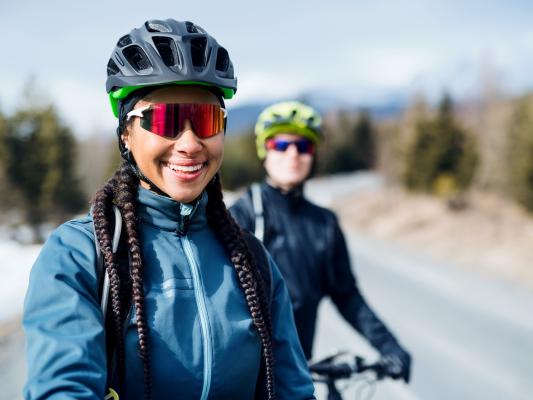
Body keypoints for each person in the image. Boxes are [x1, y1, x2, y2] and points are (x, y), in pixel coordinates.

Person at [22, 20, 315, 400]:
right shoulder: (81, 254)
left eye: (207, 121)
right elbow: (63, 389)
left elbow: (293, 391)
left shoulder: (252, 260)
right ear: (126, 133)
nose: (191, 143)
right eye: (166, 120)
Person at [230, 101, 412, 382]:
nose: (293, 154)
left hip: (298, 377)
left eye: (304, 146)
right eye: (281, 144)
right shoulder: (241, 215)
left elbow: (347, 296)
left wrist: (389, 345)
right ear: (264, 151)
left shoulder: (325, 225)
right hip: (246, 378)